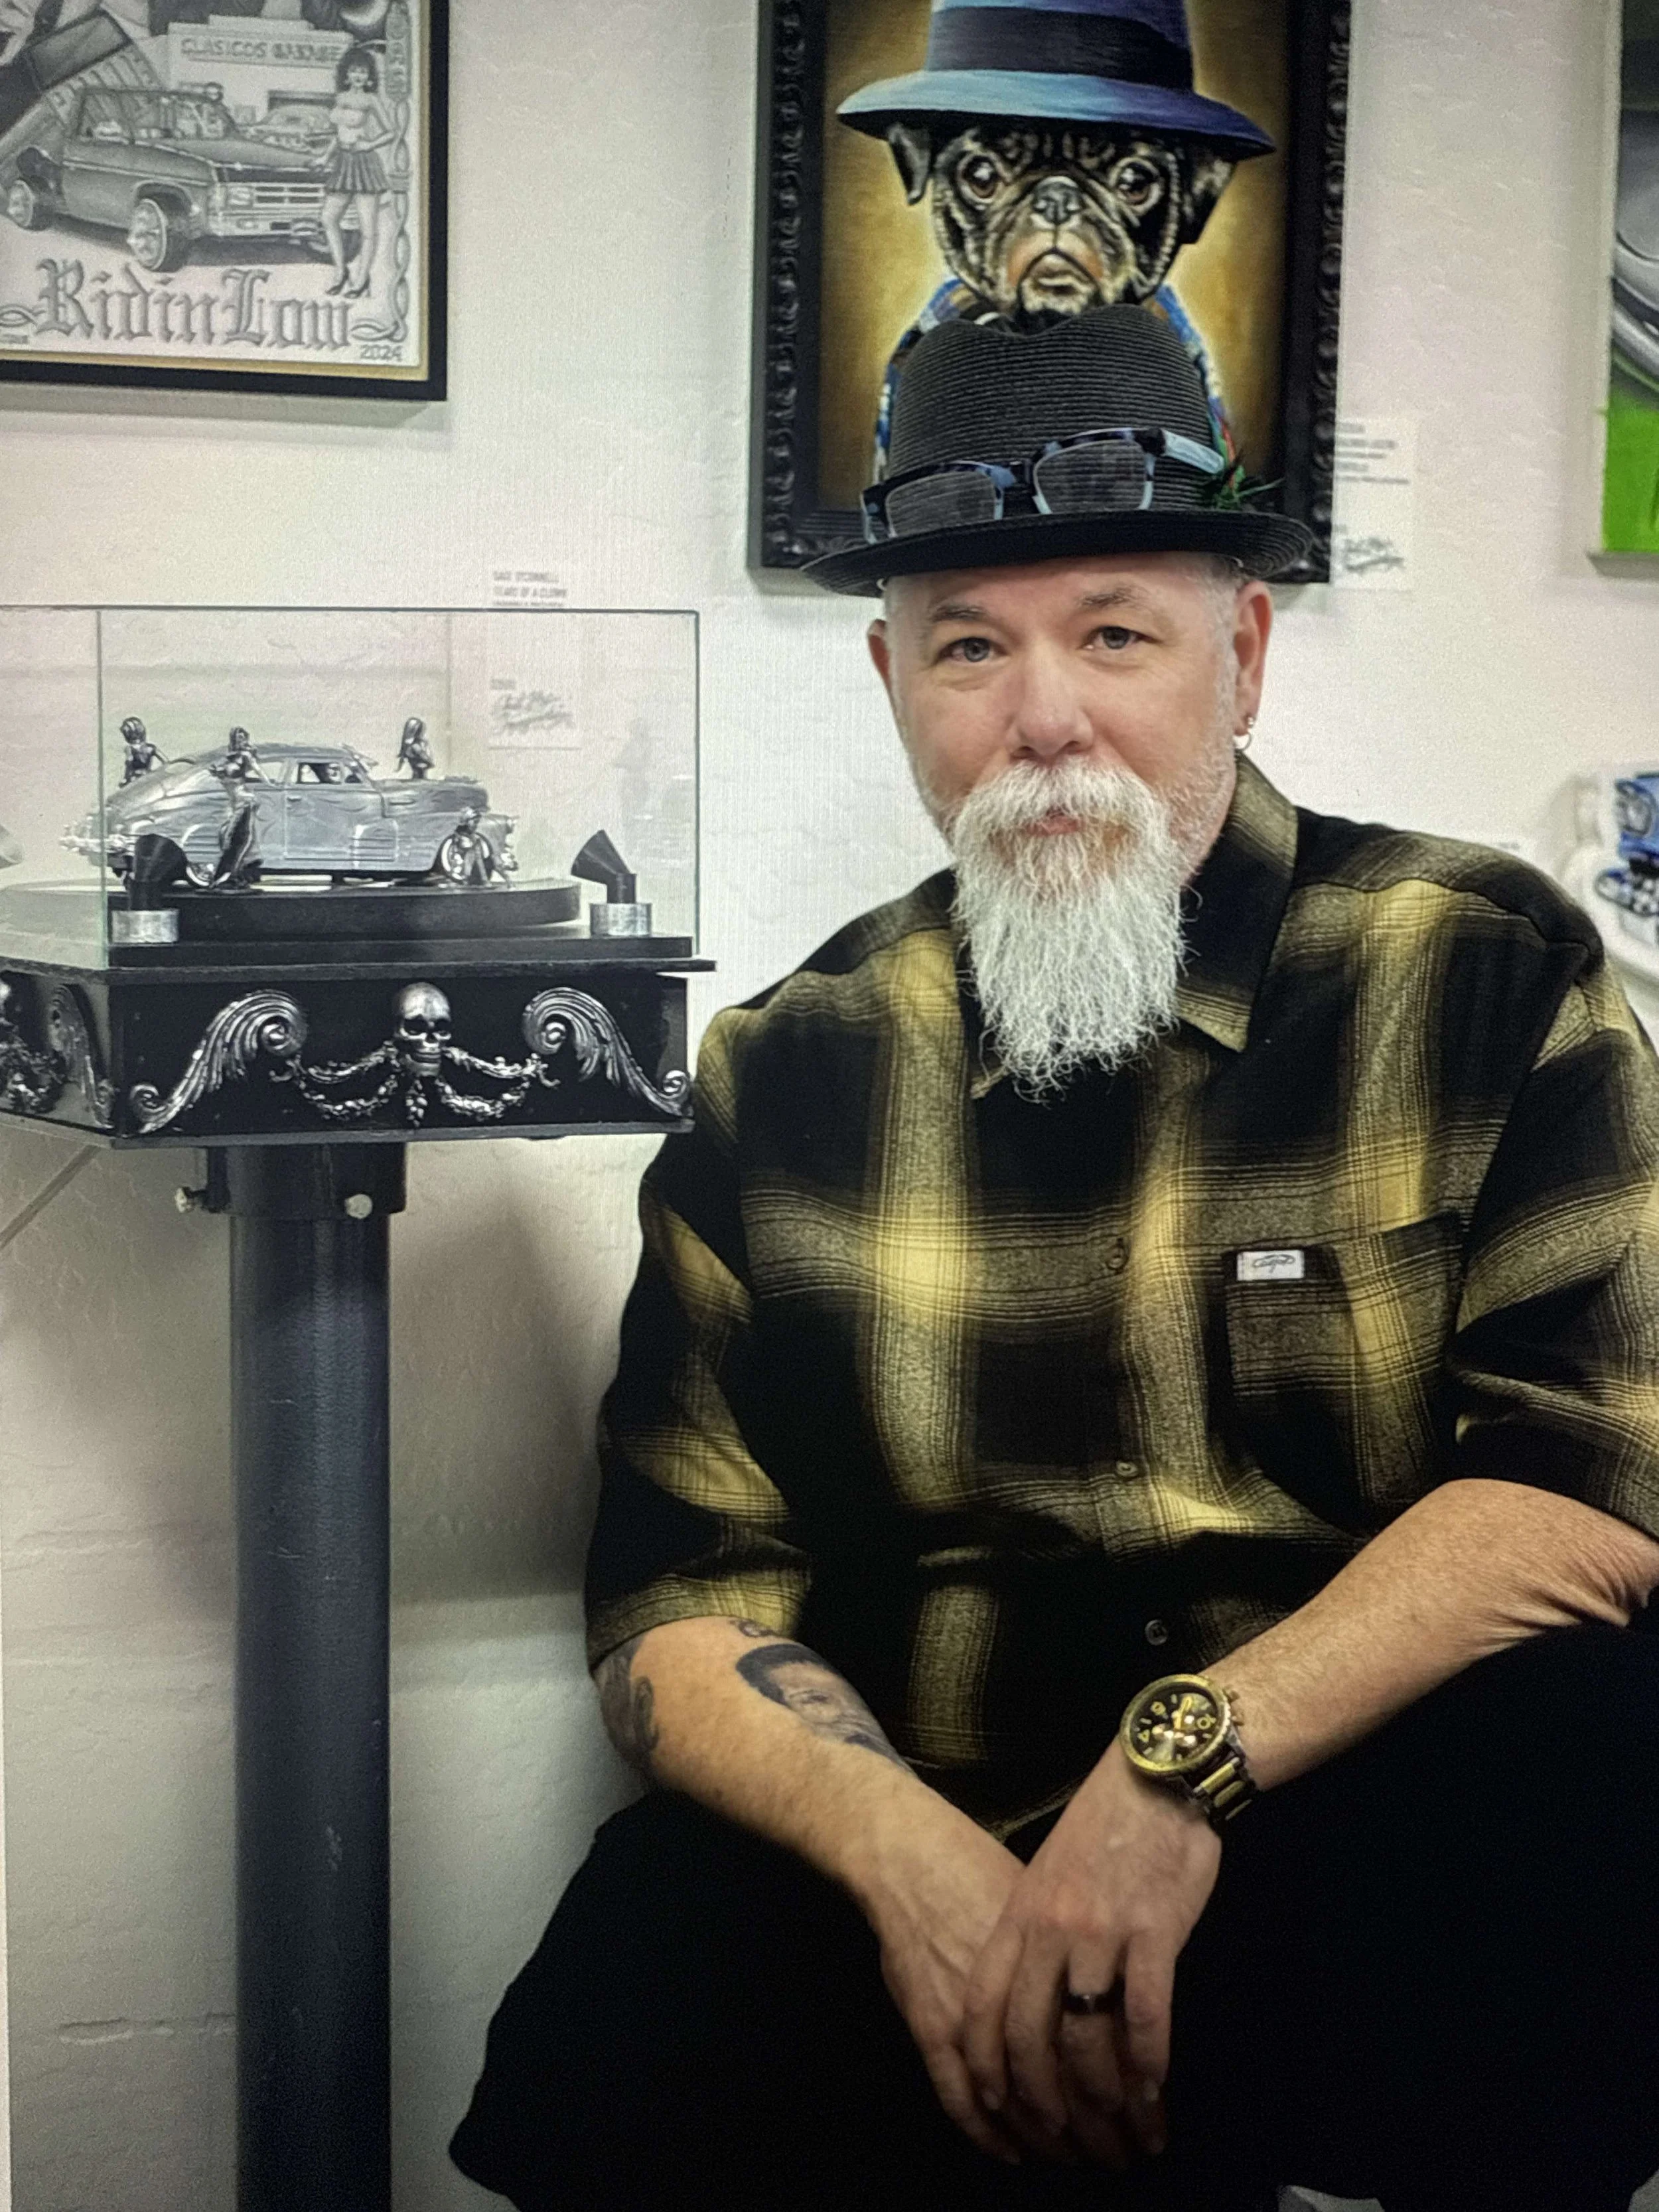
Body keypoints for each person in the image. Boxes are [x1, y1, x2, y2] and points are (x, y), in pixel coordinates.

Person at [451, 307, 1659, 2212]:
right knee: (635, 1991)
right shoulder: (786, 1069)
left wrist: (1178, 1773)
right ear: (888, 681)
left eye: (1114, 633)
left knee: (1588, 1765)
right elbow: (677, 1596)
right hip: (935, 1816)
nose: (1043, 719)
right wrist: (909, 1863)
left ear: (1238, 653)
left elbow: (1583, 1484)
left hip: (1360, 1815)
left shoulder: (1483, 964)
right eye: (966, 647)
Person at [321, 44, 392, 300]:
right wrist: (325, 157)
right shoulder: (340, 98)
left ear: (369, 75)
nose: (358, 76)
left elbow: (391, 132)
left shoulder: (371, 100)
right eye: (354, 71)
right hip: (342, 163)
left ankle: (362, 279)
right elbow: (337, 135)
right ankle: (341, 272)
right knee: (328, 219)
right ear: (346, 74)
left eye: (363, 72)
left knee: (367, 228)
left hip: (364, 164)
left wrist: (369, 144)